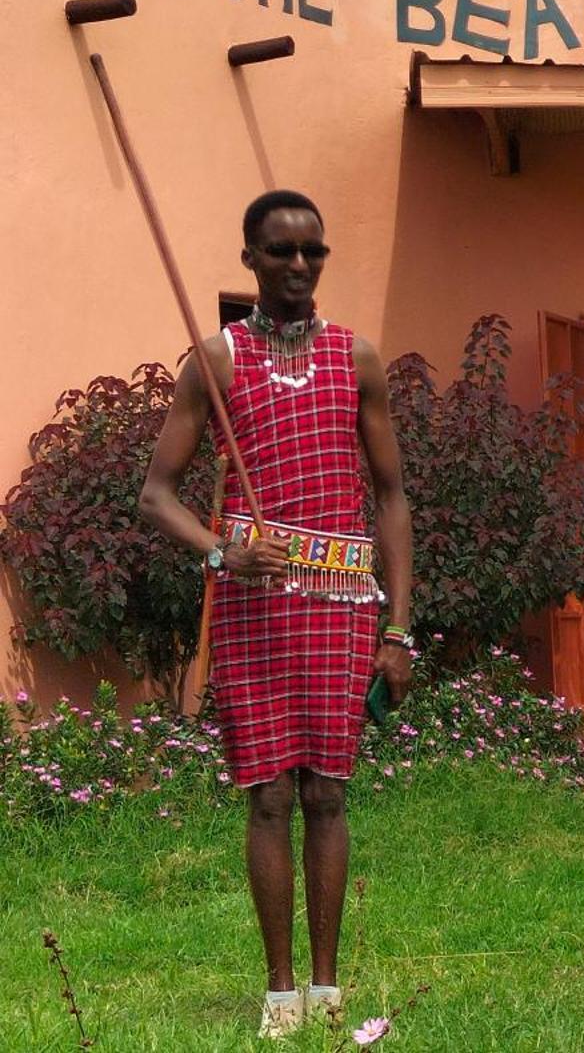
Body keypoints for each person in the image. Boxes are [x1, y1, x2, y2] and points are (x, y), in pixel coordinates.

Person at [139, 190, 413, 1038]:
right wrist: (221, 553)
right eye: (281, 252)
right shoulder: (214, 362)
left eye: (312, 252)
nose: (299, 266)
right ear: (250, 258)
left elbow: (394, 496)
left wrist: (399, 629)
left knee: (328, 794)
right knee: (267, 798)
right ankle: (280, 995)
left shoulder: (355, 358)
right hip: (256, 609)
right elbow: (156, 494)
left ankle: (329, 989)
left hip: (340, 610)